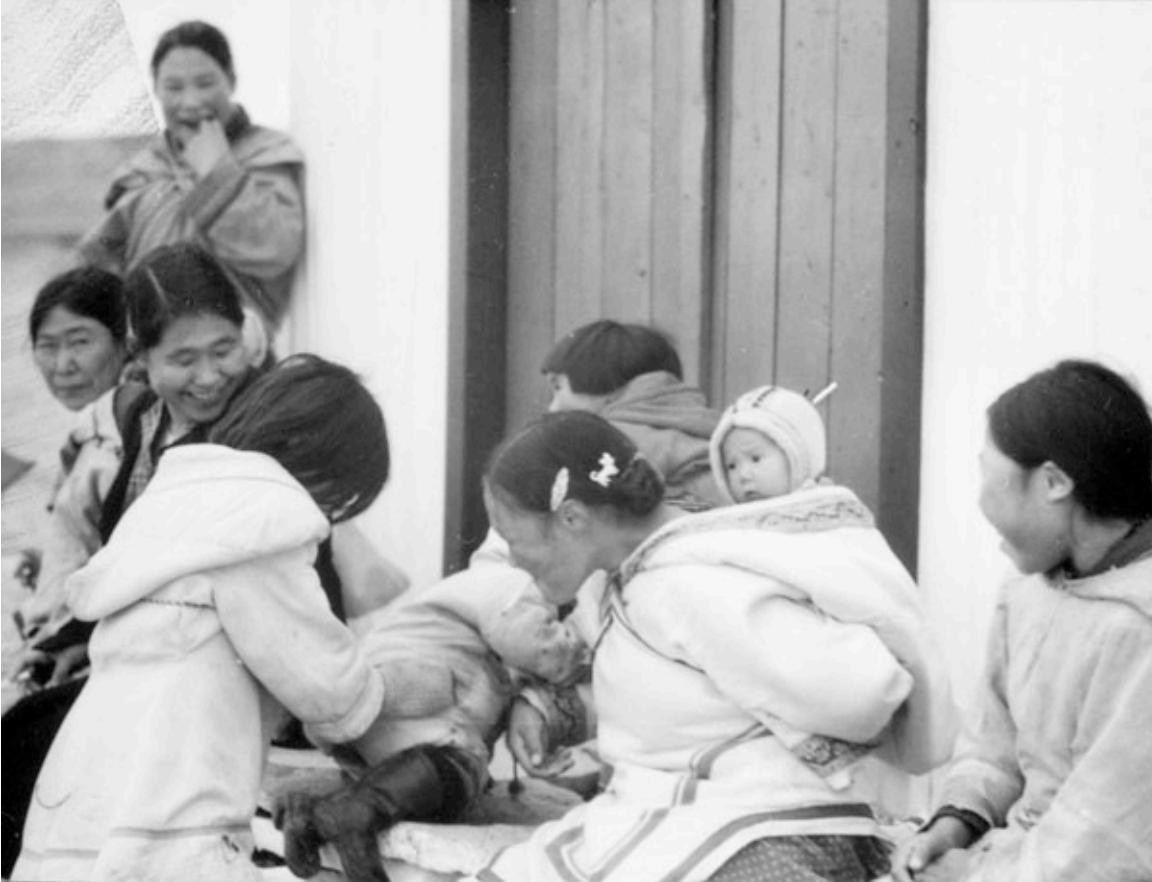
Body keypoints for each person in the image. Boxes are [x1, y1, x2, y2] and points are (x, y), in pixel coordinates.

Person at [467, 411, 955, 882]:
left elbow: (861, 694)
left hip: (756, 837)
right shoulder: (640, 575)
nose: (513, 559)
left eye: (515, 540)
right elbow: (686, 697)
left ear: (571, 518)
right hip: (706, 822)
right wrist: (556, 713)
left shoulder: (687, 584)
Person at [11, 355, 390, 882]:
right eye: (336, 502)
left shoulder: (169, 505)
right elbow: (325, 684)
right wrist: (381, 704)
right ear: (318, 466)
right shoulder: (263, 525)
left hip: (82, 793)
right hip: (171, 799)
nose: (327, 518)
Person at [1, 242, 258, 876]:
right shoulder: (143, 421)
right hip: (135, 643)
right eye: (183, 359)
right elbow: (129, 549)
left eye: (223, 350)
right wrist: (77, 636)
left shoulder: (256, 424)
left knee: (30, 751)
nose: (208, 377)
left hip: (207, 656)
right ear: (142, 358)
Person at [892, 359, 1152, 882]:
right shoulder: (1029, 592)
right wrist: (955, 821)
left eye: (989, 474)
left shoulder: (1137, 626)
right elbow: (994, 747)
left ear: (1054, 482)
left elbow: (1106, 842)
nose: (981, 500)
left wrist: (971, 875)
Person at [272, 564, 588, 882]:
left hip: (392, 710)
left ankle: (314, 815)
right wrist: (584, 653)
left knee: (438, 790)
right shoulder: (517, 586)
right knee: (457, 770)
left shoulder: (485, 586)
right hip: (416, 691)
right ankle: (359, 810)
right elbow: (543, 648)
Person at [78, 19, 305, 361]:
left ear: (231, 80)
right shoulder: (145, 169)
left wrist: (216, 167)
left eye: (205, 83)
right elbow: (100, 263)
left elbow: (275, 249)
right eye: (174, 87)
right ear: (155, 88)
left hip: (238, 362)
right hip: (154, 361)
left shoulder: (266, 154)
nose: (191, 101)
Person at [541, 319, 724, 511]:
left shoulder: (611, 441)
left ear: (605, 383)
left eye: (558, 387)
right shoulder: (717, 429)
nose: (553, 408)